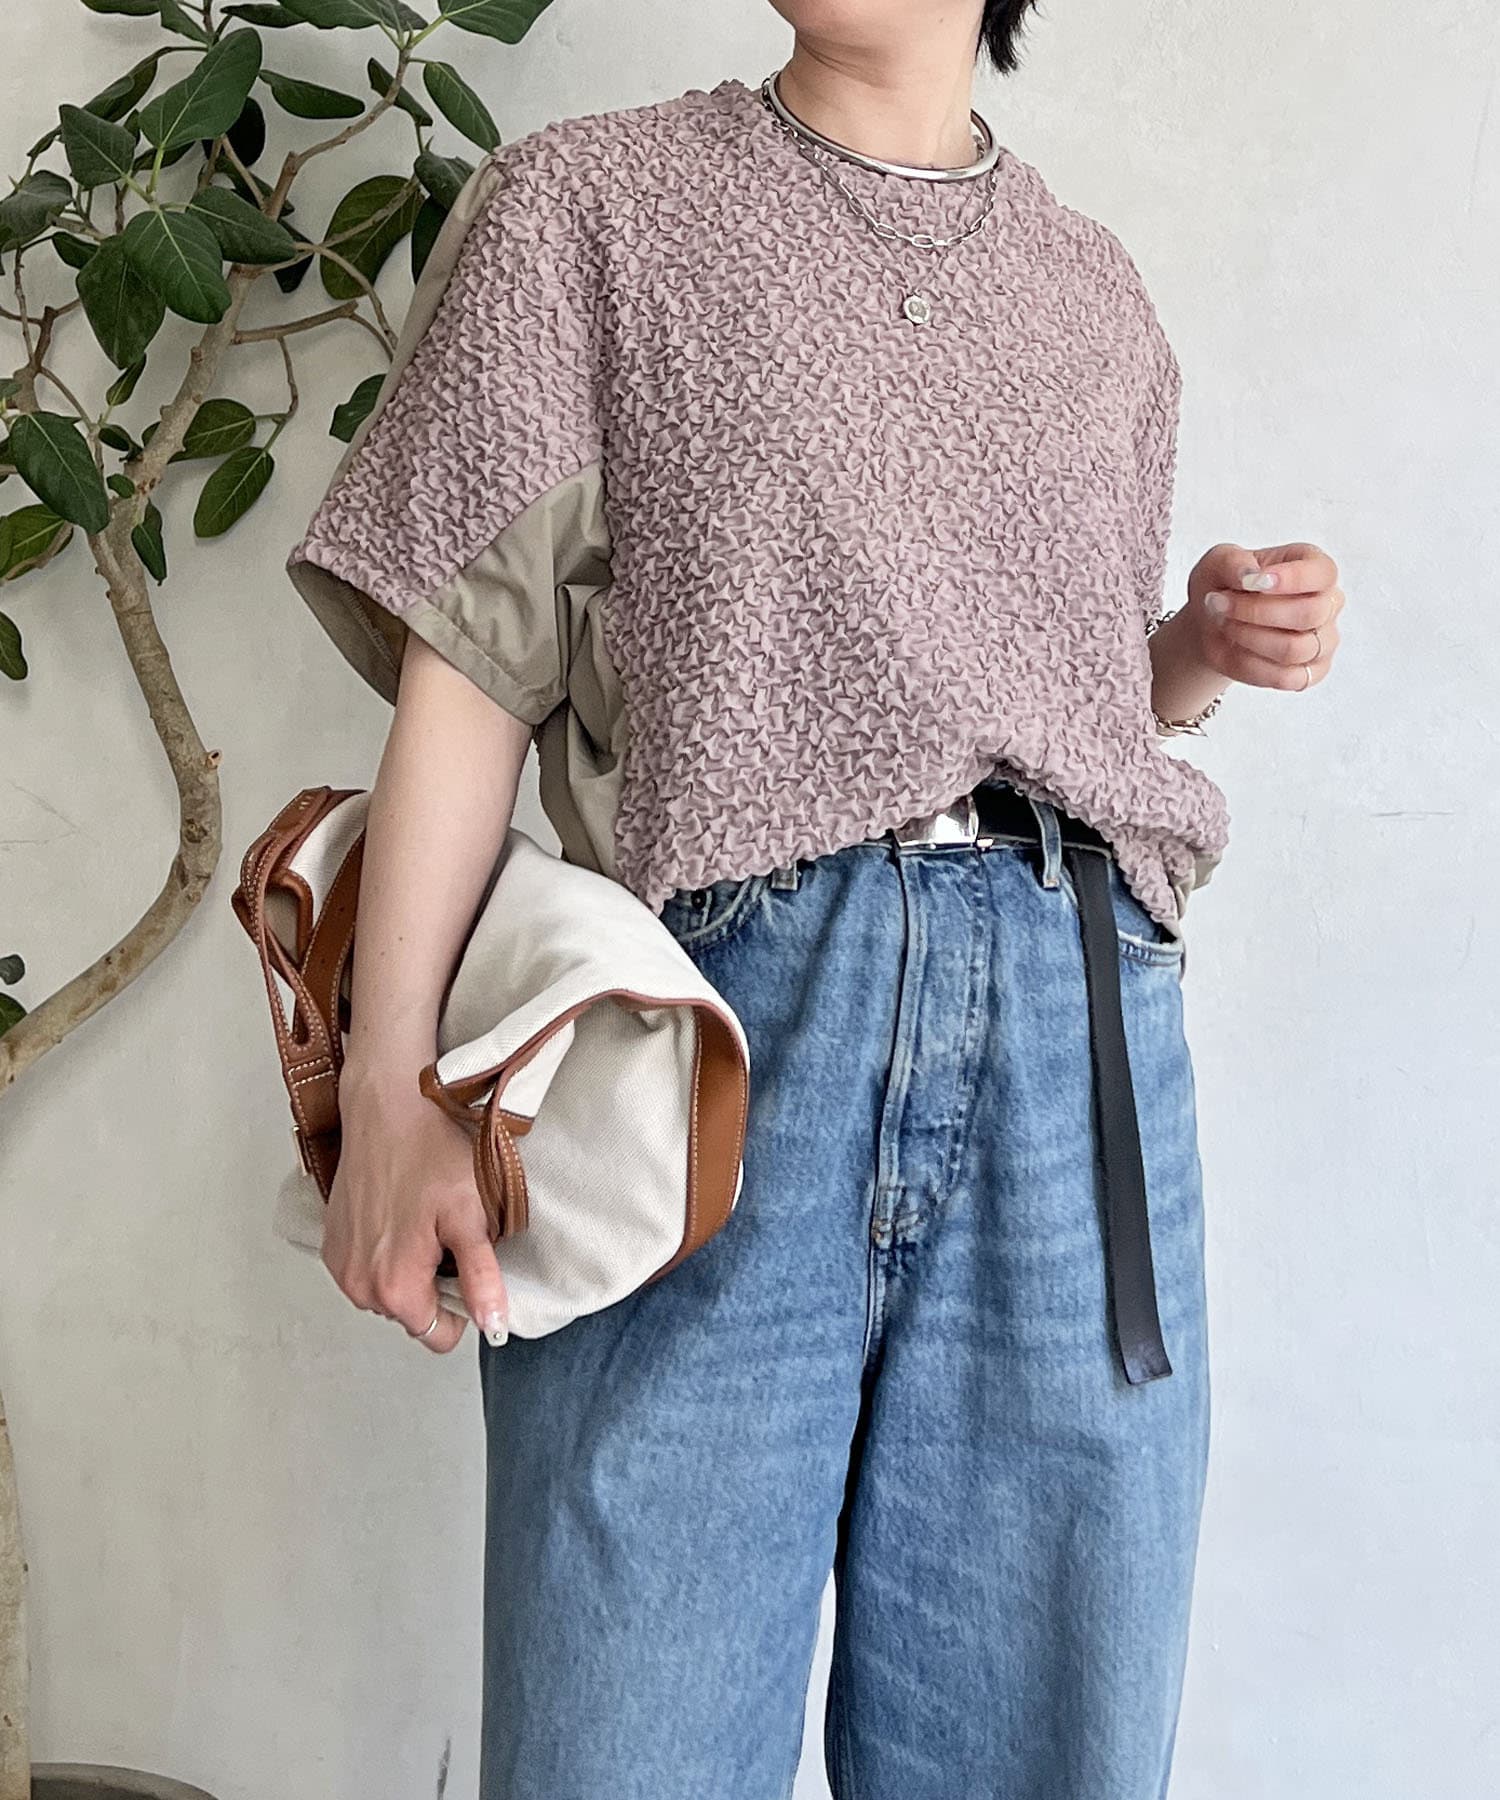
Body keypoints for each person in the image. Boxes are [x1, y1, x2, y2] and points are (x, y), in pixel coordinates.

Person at [285, 3, 1347, 1795]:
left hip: (1075, 1043)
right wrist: (389, 1082)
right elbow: (474, 659)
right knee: (628, 1738)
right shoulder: (592, 207)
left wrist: (1193, 650)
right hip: (728, 1036)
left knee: (1041, 1748)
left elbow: (1068, 707)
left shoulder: (1096, 295)